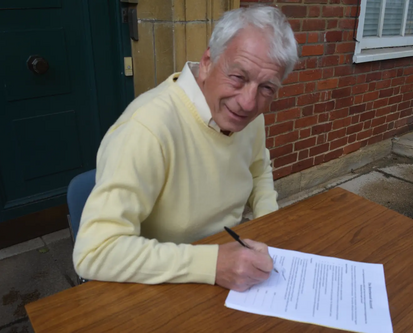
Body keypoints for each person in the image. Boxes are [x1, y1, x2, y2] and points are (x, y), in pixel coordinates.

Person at [72, 5, 298, 292]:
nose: (248, 103)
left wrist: (268, 226)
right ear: (207, 61)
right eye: (238, 77)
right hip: (161, 285)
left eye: (267, 87)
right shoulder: (147, 130)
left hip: (228, 272)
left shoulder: (250, 118)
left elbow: (258, 169)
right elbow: (94, 252)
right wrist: (212, 264)